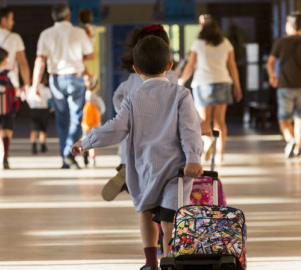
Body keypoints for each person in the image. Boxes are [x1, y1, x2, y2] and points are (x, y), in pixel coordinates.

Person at [72, 36, 203, 269]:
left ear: (135, 69)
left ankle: (151, 263)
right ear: (169, 66)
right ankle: (171, 261)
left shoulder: (133, 98)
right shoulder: (181, 94)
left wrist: (87, 141)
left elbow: (115, 128)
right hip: (177, 170)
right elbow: (190, 129)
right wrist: (193, 157)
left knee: (145, 211)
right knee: (169, 217)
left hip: (145, 169)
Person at [102, 25, 211, 202]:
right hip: (164, 151)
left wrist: (125, 113)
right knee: (167, 198)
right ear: (166, 49)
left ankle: (126, 171)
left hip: (136, 147)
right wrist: (201, 123)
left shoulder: (132, 77)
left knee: (145, 203)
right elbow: (185, 110)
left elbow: (118, 96)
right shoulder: (170, 76)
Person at [32, 3, 94, 169]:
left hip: (56, 79)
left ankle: (65, 158)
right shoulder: (79, 32)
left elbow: (40, 60)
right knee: (76, 117)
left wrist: (35, 85)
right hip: (75, 77)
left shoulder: (46, 34)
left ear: (54, 17)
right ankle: (68, 153)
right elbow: (90, 54)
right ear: (68, 16)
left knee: (61, 120)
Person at [178, 14, 242, 165]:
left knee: (204, 122)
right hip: (223, 82)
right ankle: (220, 155)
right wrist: (237, 86)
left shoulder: (198, 43)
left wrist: (181, 80)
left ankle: (207, 144)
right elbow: (232, 66)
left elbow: (191, 65)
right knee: (220, 122)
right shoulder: (226, 43)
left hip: (203, 84)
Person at [266, 11, 301, 158]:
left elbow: (270, 63)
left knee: (284, 118)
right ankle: (299, 146)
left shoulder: (280, 42)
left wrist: (273, 76)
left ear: (288, 25)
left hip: (285, 86)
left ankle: (290, 140)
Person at [81, 75, 105, 167]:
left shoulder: (82, 96)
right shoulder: (96, 98)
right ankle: (92, 159)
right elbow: (102, 109)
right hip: (94, 123)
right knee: (93, 141)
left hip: (85, 123)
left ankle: (84, 154)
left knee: (84, 139)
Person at [26, 74, 52, 154]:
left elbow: (27, 98)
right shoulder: (46, 90)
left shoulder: (31, 89)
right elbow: (50, 100)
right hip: (44, 110)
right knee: (43, 129)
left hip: (34, 110)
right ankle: (43, 144)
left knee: (33, 129)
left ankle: (33, 144)